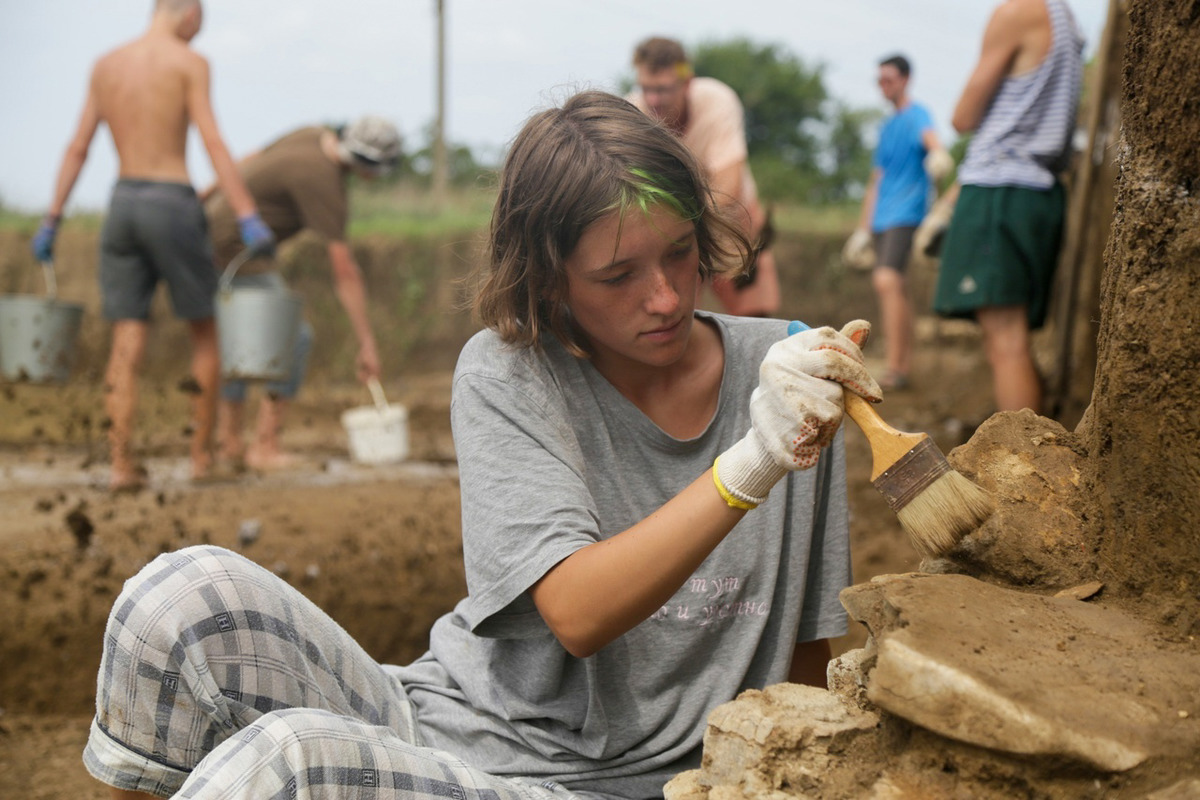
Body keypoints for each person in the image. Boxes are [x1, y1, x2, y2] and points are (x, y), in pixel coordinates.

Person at [82, 91, 884, 800]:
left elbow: (807, 653)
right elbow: (576, 610)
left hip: (597, 787)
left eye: (679, 251)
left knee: (289, 767)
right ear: (548, 279)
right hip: (440, 721)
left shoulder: (787, 380)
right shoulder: (510, 372)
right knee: (177, 600)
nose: (666, 296)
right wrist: (753, 461)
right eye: (617, 275)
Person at [30, 0, 274, 491]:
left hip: (122, 204)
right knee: (205, 331)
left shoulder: (106, 65)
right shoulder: (190, 63)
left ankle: (122, 465)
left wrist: (52, 218)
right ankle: (200, 460)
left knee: (127, 335)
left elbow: (78, 147)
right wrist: (247, 213)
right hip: (171, 202)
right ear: (185, 13)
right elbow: (213, 141)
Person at [204, 116, 399, 471]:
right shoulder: (325, 185)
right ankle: (264, 446)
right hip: (235, 252)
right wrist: (366, 343)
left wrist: (205, 194)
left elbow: (247, 159)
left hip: (211, 234)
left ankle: (230, 442)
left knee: (236, 340)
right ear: (371, 165)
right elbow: (345, 271)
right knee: (294, 337)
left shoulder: (310, 134)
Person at [933, 0, 1084, 414]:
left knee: (1006, 340)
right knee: (1010, 337)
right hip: (1038, 190)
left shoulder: (1016, 12)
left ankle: (1021, 469)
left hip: (1001, 190)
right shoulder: (1066, 18)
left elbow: (963, 117)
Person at [628, 36, 781, 318]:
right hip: (669, 230)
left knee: (755, 316)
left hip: (732, 219)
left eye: (662, 89)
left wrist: (687, 231)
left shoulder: (717, 100)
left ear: (687, 83)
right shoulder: (632, 114)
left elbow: (729, 184)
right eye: (646, 89)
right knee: (672, 315)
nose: (653, 100)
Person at [847, 54, 951, 391]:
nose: (884, 86)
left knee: (887, 280)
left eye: (889, 79)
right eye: (879, 80)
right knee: (895, 287)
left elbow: (932, 142)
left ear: (906, 79)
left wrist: (937, 155)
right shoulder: (888, 125)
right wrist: (864, 227)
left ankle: (896, 366)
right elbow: (877, 179)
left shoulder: (917, 114)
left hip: (906, 213)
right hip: (883, 216)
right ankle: (903, 365)